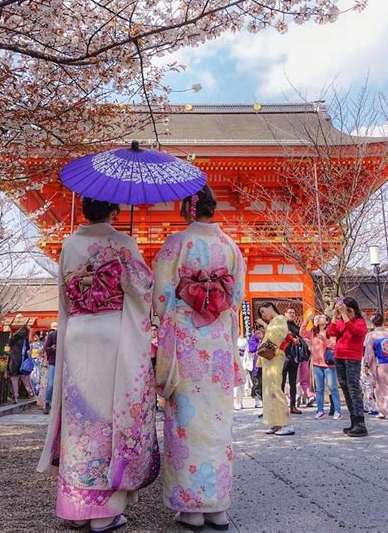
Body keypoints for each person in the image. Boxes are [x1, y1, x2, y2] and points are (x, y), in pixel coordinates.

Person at [38, 197, 159, 533]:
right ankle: (103, 512)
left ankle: (75, 506)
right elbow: (143, 289)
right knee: (109, 416)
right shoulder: (124, 242)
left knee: (79, 419)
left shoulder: (69, 244)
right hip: (112, 332)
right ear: (115, 211)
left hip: (77, 331)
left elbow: (65, 291)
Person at [154, 185, 245, 532]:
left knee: (185, 419)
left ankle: (190, 508)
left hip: (187, 342)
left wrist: (175, 311)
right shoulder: (231, 246)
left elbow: (162, 297)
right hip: (219, 344)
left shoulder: (175, 245)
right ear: (211, 208)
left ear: (185, 209)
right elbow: (235, 296)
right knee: (218, 421)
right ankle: (218, 506)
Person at [327, 297, 368, 437]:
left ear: (354, 310)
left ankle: (361, 423)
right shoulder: (341, 321)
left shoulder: (360, 322)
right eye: (346, 310)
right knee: (345, 388)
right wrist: (335, 315)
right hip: (339, 357)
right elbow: (331, 332)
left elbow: (355, 332)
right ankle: (353, 420)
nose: (347, 313)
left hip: (352, 358)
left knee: (353, 388)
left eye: (349, 310)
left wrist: (345, 315)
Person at [258, 301, 294, 436]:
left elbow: (278, 335)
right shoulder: (275, 321)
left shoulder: (279, 319)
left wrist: (265, 327)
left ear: (270, 307)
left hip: (276, 356)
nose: (263, 315)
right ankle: (275, 423)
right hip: (269, 359)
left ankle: (286, 423)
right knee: (268, 390)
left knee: (275, 388)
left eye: (263, 311)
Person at [301, 313, 341, 419]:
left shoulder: (330, 332)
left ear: (327, 321)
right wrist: (306, 320)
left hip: (328, 364)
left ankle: (337, 411)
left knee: (332, 388)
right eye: (317, 317)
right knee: (319, 389)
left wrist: (324, 339)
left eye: (322, 317)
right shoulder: (313, 332)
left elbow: (333, 346)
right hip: (316, 364)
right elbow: (302, 333)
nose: (319, 318)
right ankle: (320, 410)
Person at [282, 307, 303, 414]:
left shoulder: (296, 327)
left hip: (294, 356)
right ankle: (280, 406)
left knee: (293, 382)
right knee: (281, 382)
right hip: (283, 356)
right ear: (285, 314)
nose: (292, 314)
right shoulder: (282, 325)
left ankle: (293, 405)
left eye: (294, 313)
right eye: (290, 312)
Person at [6, 325, 35, 403]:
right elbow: (28, 349)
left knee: (14, 379)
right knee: (25, 379)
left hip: (13, 362)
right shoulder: (25, 339)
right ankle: (31, 393)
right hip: (23, 362)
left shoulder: (14, 337)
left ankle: (15, 396)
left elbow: (8, 347)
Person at [43, 322, 58, 415]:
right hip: (54, 362)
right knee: (51, 384)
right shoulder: (53, 335)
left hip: (66, 362)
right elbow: (46, 348)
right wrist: (52, 348)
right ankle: (47, 403)